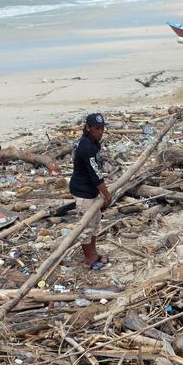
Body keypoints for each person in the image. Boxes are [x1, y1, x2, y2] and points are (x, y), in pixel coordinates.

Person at [69, 113, 112, 270]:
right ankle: (88, 259)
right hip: (82, 191)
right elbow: (96, 176)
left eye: (102, 128)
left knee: (95, 222)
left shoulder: (93, 142)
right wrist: (107, 195)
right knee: (87, 227)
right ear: (88, 128)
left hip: (91, 190)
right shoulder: (86, 146)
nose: (100, 132)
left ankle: (93, 254)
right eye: (97, 128)